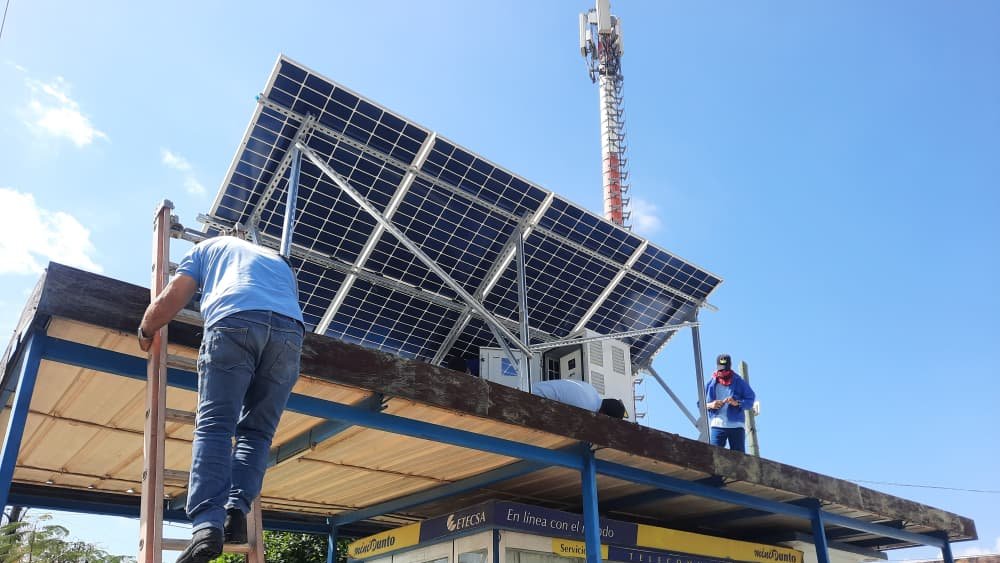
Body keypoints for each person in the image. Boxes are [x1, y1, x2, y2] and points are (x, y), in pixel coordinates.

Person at [137, 231, 304, 563]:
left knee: (215, 427)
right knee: (257, 433)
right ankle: (235, 512)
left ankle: (206, 527)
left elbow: (174, 295)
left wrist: (145, 329)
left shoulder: (205, 249)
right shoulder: (276, 260)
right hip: (290, 335)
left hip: (234, 318)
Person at [704, 353, 755, 453]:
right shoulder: (711, 383)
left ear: (730, 366)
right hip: (717, 425)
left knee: (739, 457)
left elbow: (750, 399)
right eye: (721, 369)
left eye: (725, 369)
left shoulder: (739, 381)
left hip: (736, 425)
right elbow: (700, 404)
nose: (723, 372)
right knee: (713, 454)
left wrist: (737, 403)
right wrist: (711, 405)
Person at [531, 379, 628, 419]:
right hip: (533, 398)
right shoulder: (586, 410)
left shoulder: (592, 390)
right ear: (604, 415)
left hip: (533, 388)